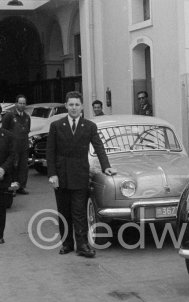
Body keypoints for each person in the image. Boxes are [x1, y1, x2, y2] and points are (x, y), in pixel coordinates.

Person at [46, 91, 117, 258]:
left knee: (79, 212)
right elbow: (50, 152)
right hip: (61, 175)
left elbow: (99, 147)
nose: (74, 108)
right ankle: (67, 243)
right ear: (66, 106)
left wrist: (106, 166)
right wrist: (52, 174)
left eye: (77, 105)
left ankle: (82, 245)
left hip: (80, 174)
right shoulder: (56, 126)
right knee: (64, 211)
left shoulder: (89, 126)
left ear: (82, 106)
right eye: (71, 104)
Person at [1, 95, 31, 195]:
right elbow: (4, 131)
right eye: (20, 103)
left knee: (23, 168)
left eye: (24, 103)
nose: (22, 105)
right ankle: (11, 188)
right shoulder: (9, 116)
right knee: (12, 167)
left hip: (24, 147)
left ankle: (21, 187)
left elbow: (27, 131)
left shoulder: (27, 117)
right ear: (16, 104)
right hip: (12, 148)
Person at [0, 127, 15, 244]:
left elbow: (12, 155)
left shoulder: (8, 135)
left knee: (1, 207)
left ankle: (0, 235)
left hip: (2, 177)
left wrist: (3, 169)